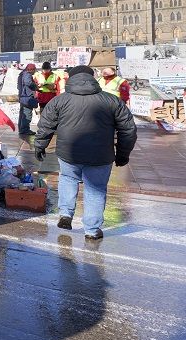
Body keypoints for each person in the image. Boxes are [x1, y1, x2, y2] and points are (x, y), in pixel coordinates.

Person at [34, 65, 137, 241]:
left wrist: (39, 146)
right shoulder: (111, 101)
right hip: (100, 155)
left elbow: (45, 126)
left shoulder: (60, 100)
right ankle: (91, 229)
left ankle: (66, 213)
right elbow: (128, 130)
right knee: (95, 189)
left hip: (69, 152)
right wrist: (122, 154)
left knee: (68, 178)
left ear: (71, 79)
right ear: (93, 78)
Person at [17, 63, 38, 136]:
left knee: (22, 114)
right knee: (27, 114)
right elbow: (28, 82)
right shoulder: (27, 74)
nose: (35, 71)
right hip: (27, 97)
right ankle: (25, 130)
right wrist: (35, 86)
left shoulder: (22, 74)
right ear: (31, 70)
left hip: (23, 97)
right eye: (34, 70)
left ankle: (21, 129)